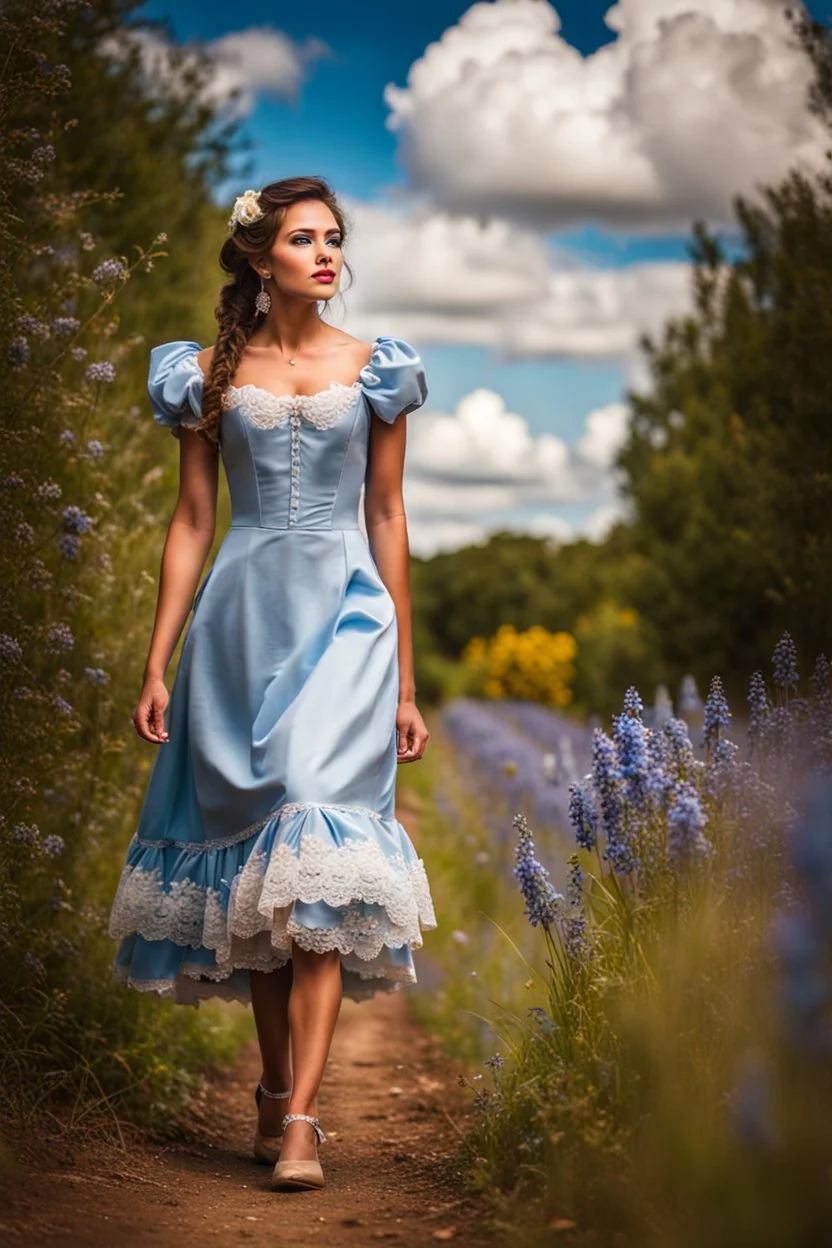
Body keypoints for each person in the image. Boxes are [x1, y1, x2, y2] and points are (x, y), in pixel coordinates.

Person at [107, 176, 437, 1192]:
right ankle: (271, 1082)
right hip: (239, 626)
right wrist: (158, 657)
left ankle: (302, 1123)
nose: (328, 255)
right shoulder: (202, 375)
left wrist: (406, 685)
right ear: (259, 257)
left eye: (335, 238)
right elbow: (194, 521)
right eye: (304, 239)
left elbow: (387, 516)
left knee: (315, 839)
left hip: (348, 622)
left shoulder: (377, 369)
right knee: (261, 866)